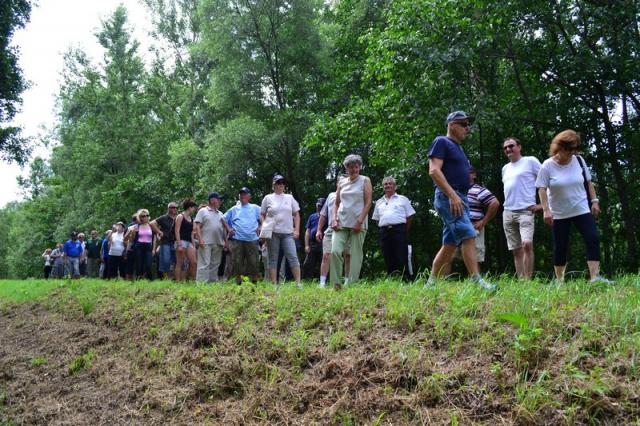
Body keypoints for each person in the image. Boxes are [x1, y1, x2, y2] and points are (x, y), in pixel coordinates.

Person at [426, 111, 495, 290]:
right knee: (469, 234)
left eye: (468, 124)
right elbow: (434, 171)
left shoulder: (459, 148)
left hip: (459, 197)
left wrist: (458, 197)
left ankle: (431, 283)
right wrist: (453, 195)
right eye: (463, 124)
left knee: (449, 244)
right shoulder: (442, 141)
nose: (468, 128)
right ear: (451, 125)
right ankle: (477, 281)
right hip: (450, 197)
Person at [535, 130, 613, 284]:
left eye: (574, 149)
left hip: (581, 209)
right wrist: (546, 210)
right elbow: (541, 188)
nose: (572, 152)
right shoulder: (547, 165)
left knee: (593, 238)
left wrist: (595, 201)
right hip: (559, 213)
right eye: (569, 149)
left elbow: (588, 182)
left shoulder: (579, 160)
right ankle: (559, 281)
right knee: (560, 246)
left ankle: (595, 278)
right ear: (559, 147)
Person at [502, 137, 542, 279]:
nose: (508, 149)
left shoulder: (530, 161)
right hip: (508, 212)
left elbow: (546, 180)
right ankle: (522, 282)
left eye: (511, 146)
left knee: (526, 244)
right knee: (516, 250)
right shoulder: (505, 168)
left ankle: (528, 280)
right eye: (505, 147)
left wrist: (543, 205)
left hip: (526, 210)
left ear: (519, 147)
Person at [330, 154, 373, 289]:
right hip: (341, 222)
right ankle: (336, 284)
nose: (354, 170)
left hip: (358, 223)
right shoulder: (342, 182)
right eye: (351, 167)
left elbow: (368, 202)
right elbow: (336, 204)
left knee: (355, 255)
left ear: (359, 167)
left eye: (356, 167)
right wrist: (334, 219)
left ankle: (352, 285)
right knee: (335, 251)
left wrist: (359, 222)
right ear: (346, 168)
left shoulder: (365, 180)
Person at [371, 176, 416, 281]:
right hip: (384, 231)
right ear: (383, 187)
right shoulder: (379, 202)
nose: (388, 185)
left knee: (402, 255)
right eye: (385, 184)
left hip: (399, 230)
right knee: (387, 256)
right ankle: (392, 279)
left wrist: (404, 230)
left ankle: (406, 280)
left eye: (390, 183)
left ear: (395, 186)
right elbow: (377, 219)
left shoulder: (403, 199)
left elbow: (409, 217)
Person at [261, 174, 302, 287]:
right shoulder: (267, 198)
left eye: (283, 183)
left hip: (288, 233)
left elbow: (297, 215)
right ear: (273, 185)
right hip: (273, 233)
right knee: (273, 258)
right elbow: (262, 214)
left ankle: (298, 283)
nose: (281, 185)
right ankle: (274, 284)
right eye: (278, 183)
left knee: (293, 256)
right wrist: (265, 226)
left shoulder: (289, 197)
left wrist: (297, 229)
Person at [316, 176, 351, 288]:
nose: (342, 182)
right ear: (337, 183)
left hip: (346, 228)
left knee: (347, 255)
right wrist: (318, 230)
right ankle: (322, 283)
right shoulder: (331, 196)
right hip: (331, 229)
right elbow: (323, 214)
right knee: (326, 255)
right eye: (340, 181)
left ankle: (346, 281)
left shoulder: (350, 194)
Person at [225, 187, 262, 284]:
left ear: (249, 196)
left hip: (252, 239)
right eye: (241, 194)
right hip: (237, 240)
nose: (243, 196)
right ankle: (239, 286)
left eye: (245, 194)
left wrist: (261, 226)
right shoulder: (234, 209)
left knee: (254, 263)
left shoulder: (255, 207)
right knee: (237, 263)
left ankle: (254, 285)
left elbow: (265, 216)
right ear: (239, 196)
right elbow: (223, 218)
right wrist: (229, 229)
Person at [195, 192, 232, 283]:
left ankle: (212, 283)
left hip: (218, 243)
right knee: (205, 263)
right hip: (205, 241)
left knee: (215, 264)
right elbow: (197, 226)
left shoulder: (221, 214)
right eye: (218, 199)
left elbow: (223, 230)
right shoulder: (203, 211)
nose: (220, 201)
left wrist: (226, 242)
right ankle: (201, 284)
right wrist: (200, 240)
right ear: (212, 200)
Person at [126, 209, 159, 280]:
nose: (146, 217)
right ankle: (139, 280)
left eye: (147, 215)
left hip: (148, 247)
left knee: (148, 265)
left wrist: (153, 249)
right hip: (139, 246)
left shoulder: (151, 226)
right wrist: (133, 233)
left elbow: (155, 238)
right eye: (143, 216)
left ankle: (150, 280)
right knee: (139, 265)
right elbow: (131, 240)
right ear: (140, 217)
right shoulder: (136, 226)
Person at [151, 202, 178, 279]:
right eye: (172, 207)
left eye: (176, 207)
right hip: (165, 242)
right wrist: (159, 231)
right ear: (168, 208)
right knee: (166, 262)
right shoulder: (164, 218)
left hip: (176, 242)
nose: (175, 209)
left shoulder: (178, 218)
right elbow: (152, 223)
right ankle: (166, 278)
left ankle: (174, 279)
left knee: (176, 261)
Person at [302, 197, 326, 280]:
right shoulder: (312, 216)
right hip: (312, 244)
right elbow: (307, 231)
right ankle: (306, 281)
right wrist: (306, 245)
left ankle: (324, 281)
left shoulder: (327, 216)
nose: (319, 207)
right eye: (318, 205)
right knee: (307, 264)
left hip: (324, 243)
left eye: (321, 206)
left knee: (324, 263)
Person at [175, 199, 198, 281]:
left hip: (189, 242)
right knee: (180, 263)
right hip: (181, 241)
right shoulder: (180, 216)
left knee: (194, 262)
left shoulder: (191, 219)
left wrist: (194, 246)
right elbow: (177, 231)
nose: (194, 209)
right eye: (193, 207)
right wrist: (179, 244)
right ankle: (178, 282)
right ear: (189, 207)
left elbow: (192, 233)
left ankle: (194, 281)